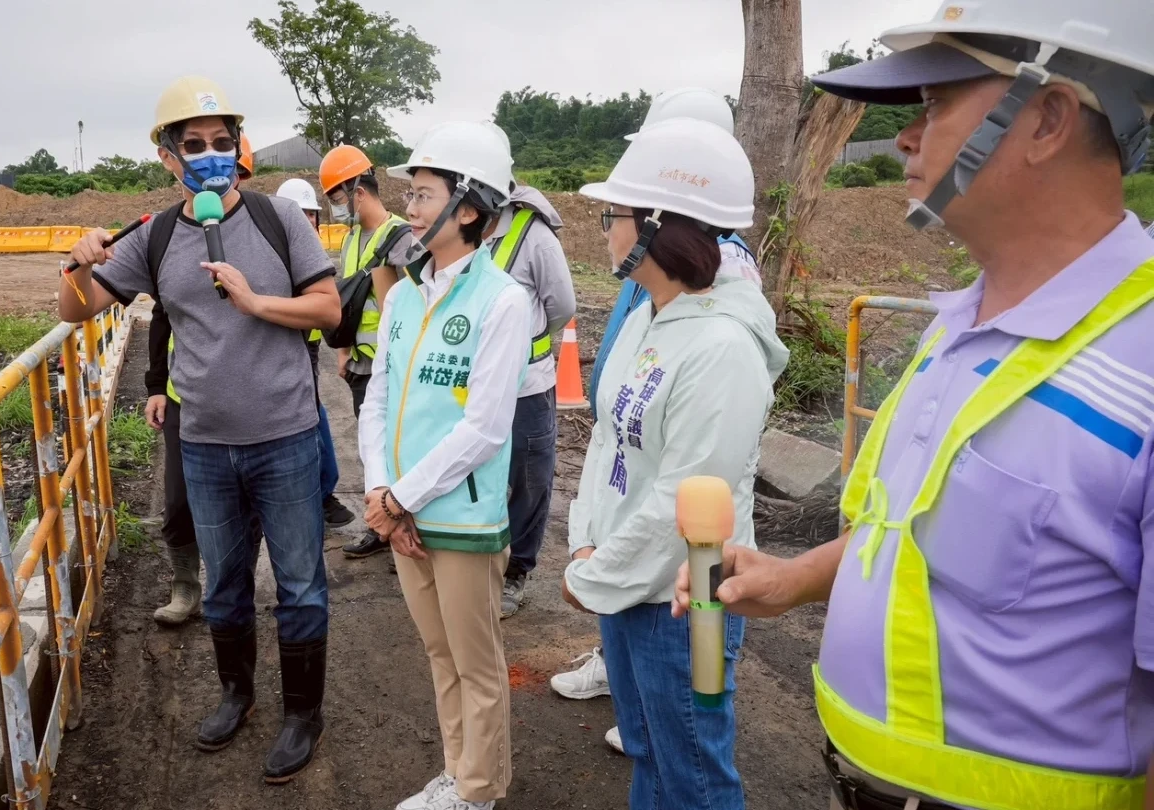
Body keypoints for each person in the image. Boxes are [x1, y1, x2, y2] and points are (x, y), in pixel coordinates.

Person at [672, 3, 1154, 808]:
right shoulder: (955, 326)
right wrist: (791, 579)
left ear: (1046, 117)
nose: (903, 137)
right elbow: (908, 541)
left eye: (932, 104)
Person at [57, 76, 341, 784]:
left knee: (301, 583)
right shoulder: (152, 236)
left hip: (285, 436)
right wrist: (76, 260)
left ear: (239, 147)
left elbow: (330, 310)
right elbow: (75, 310)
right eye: (194, 145)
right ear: (167, 156)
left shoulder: (282, 220)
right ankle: (236, 694)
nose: (211, 154)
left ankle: (303, 713)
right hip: (205, 446)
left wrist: (256, 300)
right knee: (224, 587)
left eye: (223, 142)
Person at [563, 118, 788, 810]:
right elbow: (608, 441)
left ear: (658, 224)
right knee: (649, 754)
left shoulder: (721, 346)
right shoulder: (650, 314)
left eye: (615, 215)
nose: (605, 228)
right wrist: (585, 539)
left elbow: (691, 502)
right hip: (625, 580)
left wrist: (594, 571)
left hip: (689, 603)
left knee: (692, 770)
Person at [359, 121, 531, 810]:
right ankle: (458, 770)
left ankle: (481, 790)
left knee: (477, 664)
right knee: (439, 656)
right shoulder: (402, 296)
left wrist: (399, 500)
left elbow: (485, 427)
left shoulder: (503, 301)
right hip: (401, 508)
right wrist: (380, 491)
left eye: (425, 194)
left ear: (469, 208)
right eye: (411, 193)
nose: (410, 208)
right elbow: (377, 398)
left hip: (460, 515)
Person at [143, 130, 261, 626]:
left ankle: (235, 584)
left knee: (250, 502)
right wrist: (155, 386)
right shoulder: (175, 235)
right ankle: (186, 585)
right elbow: (162, 318)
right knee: (178, 501)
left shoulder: (265, 230)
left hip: (250, 396)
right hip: (186, 398)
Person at [484, 172, 577, 619]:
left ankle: (516, 569)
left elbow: (561, 307)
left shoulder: (533, 235)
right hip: (473, 387)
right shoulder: (459, 228)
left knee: (527, 478)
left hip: (526, 387)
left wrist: (522, 343)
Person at [318, 144, 417, 560]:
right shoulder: (355, 237)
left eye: (339, 198)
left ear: (359, 190)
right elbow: (352, 304)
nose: (337, 208)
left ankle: (407, 528)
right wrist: (343, 352)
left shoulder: (400, 237)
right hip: (362, 365)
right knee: (372, 448)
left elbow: (409, 305)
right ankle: (382, 527)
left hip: (392, 368)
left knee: (403, 449)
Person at [277, 177, 357, 529]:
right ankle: (308, 496)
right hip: (277, 346)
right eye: (300, 214)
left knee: (311, 411)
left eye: (311, 215)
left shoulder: (312, 252)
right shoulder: (270, 251)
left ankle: (322, 493)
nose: (307, 221)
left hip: (305, 345)